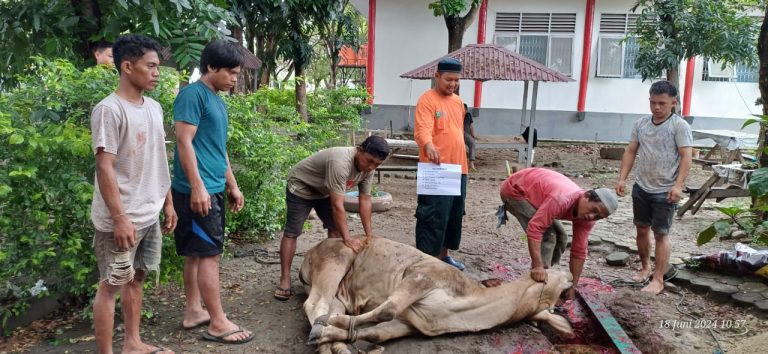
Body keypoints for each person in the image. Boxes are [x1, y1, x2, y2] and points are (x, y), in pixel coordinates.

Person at [90, 34, 175, 354]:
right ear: (127, 67)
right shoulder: (109, 110)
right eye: (151, 66)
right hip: (120, 218)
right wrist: (120, 218)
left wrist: (167, 202)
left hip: (149, 213)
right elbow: (104, 167)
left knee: (137, 279)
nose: (157, 72)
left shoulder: (153, 107)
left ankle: (133, 343)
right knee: (111, 285)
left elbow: (156, 159)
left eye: (158, 66)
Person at [172, 40, 254, 344]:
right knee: (209, 255)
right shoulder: (192, 96)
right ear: (210, 68)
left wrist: (232, 184)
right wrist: (197, 187)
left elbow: (217, 149)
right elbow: (184, 142)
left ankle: (194, 310)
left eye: (237, 73)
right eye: (231, 73)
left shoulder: (216, 99)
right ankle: (218, 322)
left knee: (197, 253)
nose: (235, 79)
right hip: (198, 189)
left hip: (213, 186)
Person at [275, 136, 390, 301]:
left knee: (335, 229)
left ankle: (329, 273)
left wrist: (369, 235)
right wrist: (348, 238)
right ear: (360, 150)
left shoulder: (369, 169)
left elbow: (365, 200)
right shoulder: (341, 162)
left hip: (325, 189)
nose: (371, 167)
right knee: (292, 232)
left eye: (376, 164)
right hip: (301, 186)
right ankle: (285, 279)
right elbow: (338, 206)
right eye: (369, 161)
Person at [615, 80, 693, 295]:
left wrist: (678, 186)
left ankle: (658, 279)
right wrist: (622, 178)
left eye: (662, 103)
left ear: (673, 103)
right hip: (641, 187)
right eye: (653, 102)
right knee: (641, 228)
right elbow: (631, 151)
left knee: (661, 234)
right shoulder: (641, 124)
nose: (657, 107)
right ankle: (645, 268)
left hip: (665, 190)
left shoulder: (679, 126)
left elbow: (687, 157)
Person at [499, 168, 619, 299]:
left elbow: (579, 251)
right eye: (593, 210)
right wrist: (538, 266)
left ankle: (548, 273)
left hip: (539, 195)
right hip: (515, 191)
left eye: (598, 217)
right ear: (586, 196)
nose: (591, 217)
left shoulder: (587, 219)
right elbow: (535, 229)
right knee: (548, 236)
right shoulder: (562, 199)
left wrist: (572, 286)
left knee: (562, 237)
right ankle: (538, 287)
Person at [414, 57, 469, 271]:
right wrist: (428, 145)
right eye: (448, 79)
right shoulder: (427, 100)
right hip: (435, 169)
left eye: (456, 80)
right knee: (433, 214)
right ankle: (427, 261)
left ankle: (444, 256)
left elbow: (458, 131)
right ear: (437, 76)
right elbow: (422, 128)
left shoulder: (457, 102)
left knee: (454, 215)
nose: (452, 84)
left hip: (458, 168)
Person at [463, 103, 477, 171]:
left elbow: (471, 125)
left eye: (465, 109)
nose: (464, 111)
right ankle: (466, 164)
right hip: (459, 133)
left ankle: (471, 163)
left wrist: (473, 134)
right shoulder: (457, 115)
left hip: (467, 135)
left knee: (472, 143)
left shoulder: (468, 115)